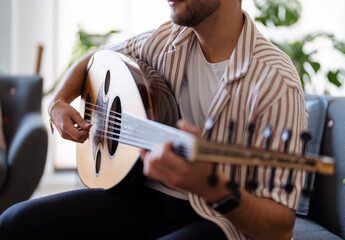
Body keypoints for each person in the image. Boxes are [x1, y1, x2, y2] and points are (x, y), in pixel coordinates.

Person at [0, 0, 308, 239]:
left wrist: (213, 186)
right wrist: (58, 103)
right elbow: (94, 60)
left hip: (222, 220)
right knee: (14, 223)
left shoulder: (276, 82)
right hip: (144, 195)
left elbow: (280, 228)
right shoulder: (167, 40)